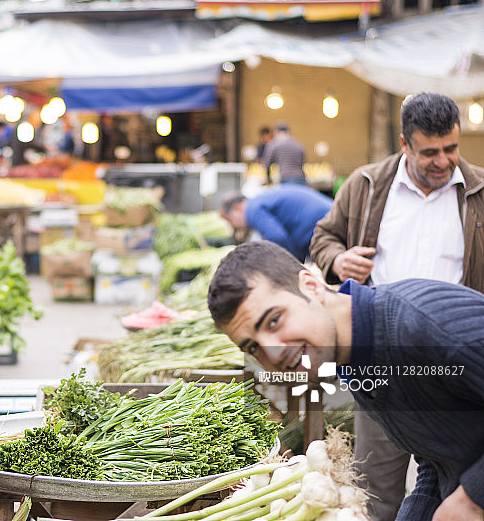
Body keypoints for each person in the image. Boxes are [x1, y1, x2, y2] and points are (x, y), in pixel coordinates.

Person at [207, 240, 484, 521]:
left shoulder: (425, 323)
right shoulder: (355, 359)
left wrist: (472, 499)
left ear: (311, 287)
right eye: (253, 347)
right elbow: (437, 460)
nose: (273, 352)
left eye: (274, 320)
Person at [310, 92, 484, 521]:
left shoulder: (479, 190)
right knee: (375, 494)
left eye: (451, 149)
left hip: (454, 365)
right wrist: (337, 259)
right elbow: (322, 238)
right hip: (380, 365)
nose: (443, 161)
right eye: (430, 152)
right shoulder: (367, 185)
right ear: (404, 144)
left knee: (454, 487)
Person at [219, 185, 332, 263]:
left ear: (236, 207)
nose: (233, 226)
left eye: (229, 220)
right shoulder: (258, 201)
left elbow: (277, 237)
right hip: (326, 218)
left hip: (325, 224)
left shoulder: (251, 210)